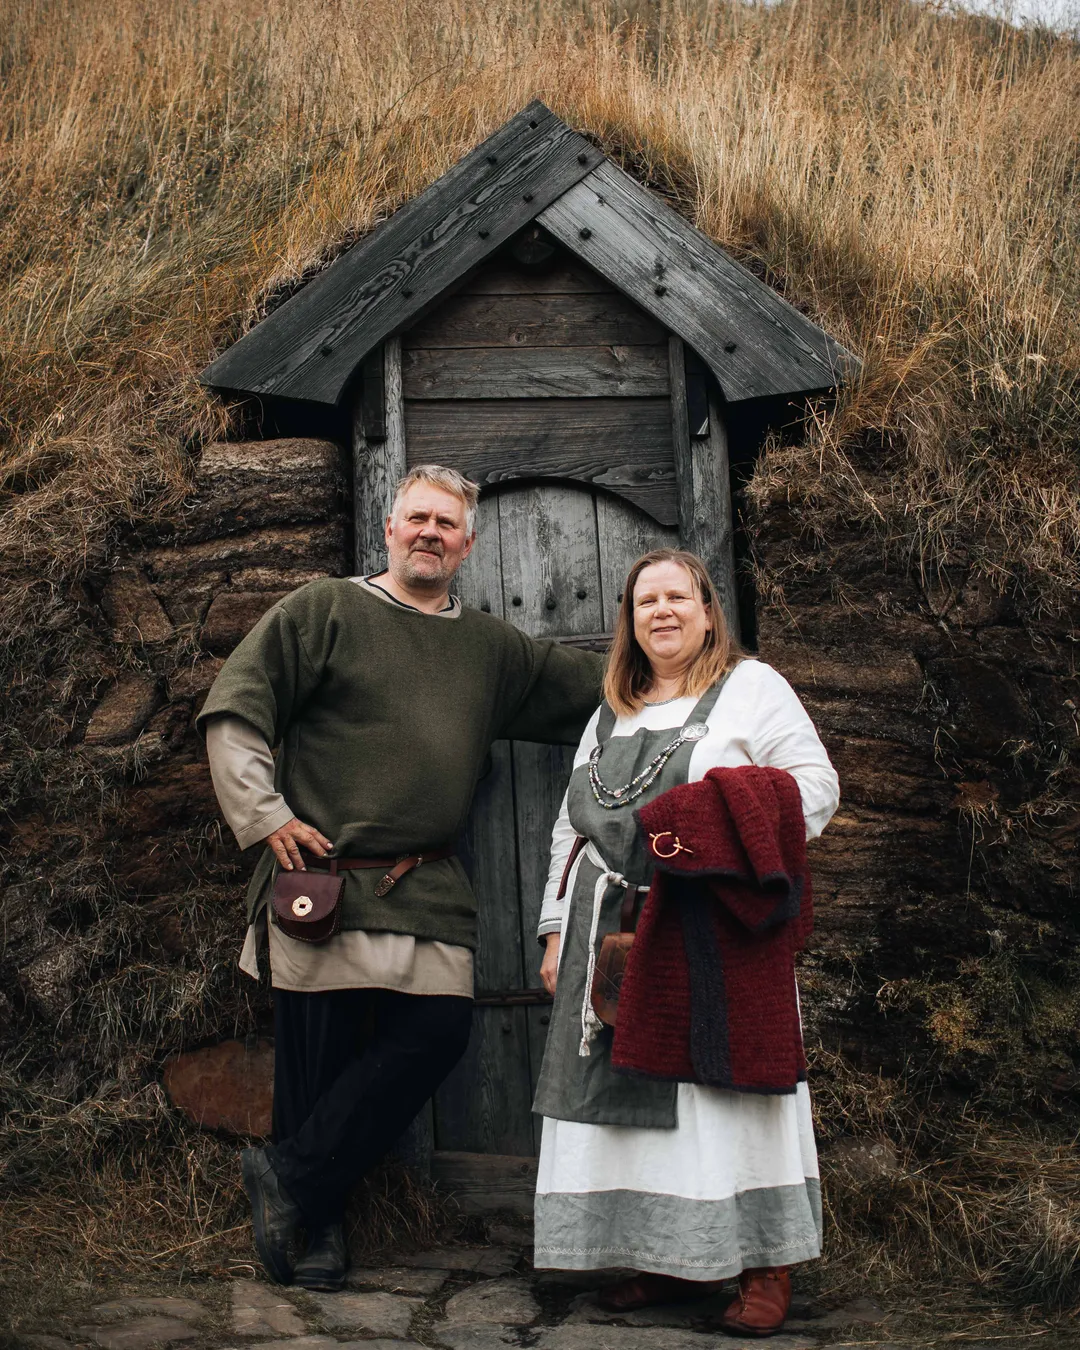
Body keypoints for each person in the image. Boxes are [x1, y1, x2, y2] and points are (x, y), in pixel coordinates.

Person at [198, 464, 604, 1291]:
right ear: (388, 529)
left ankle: (290, 1178)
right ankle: (316, 1225)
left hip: (426, 886)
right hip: (322, 880)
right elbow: (238, 702)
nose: (429, 533)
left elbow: (591, 694)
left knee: (436, 1037)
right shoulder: (326, 609)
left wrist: (695, 675)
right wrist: (266, 814)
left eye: (446, 524)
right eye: (416, 518)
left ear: (468, 544)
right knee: (315, 1066)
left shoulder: (490, 647)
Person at [532, 548, 839, 1337]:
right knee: (621, 1108)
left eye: (676, 597)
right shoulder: (611, 712)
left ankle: (764, 1263)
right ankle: (663, 1259)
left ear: (707, 610)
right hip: (610, 930)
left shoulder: (752, 688)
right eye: (644, 603)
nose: (660, 612)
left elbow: (815, 786)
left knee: (719, 1103)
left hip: (712, 928)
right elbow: (573, 825)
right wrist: (558, 926)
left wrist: (712, 829)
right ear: (630, 623)